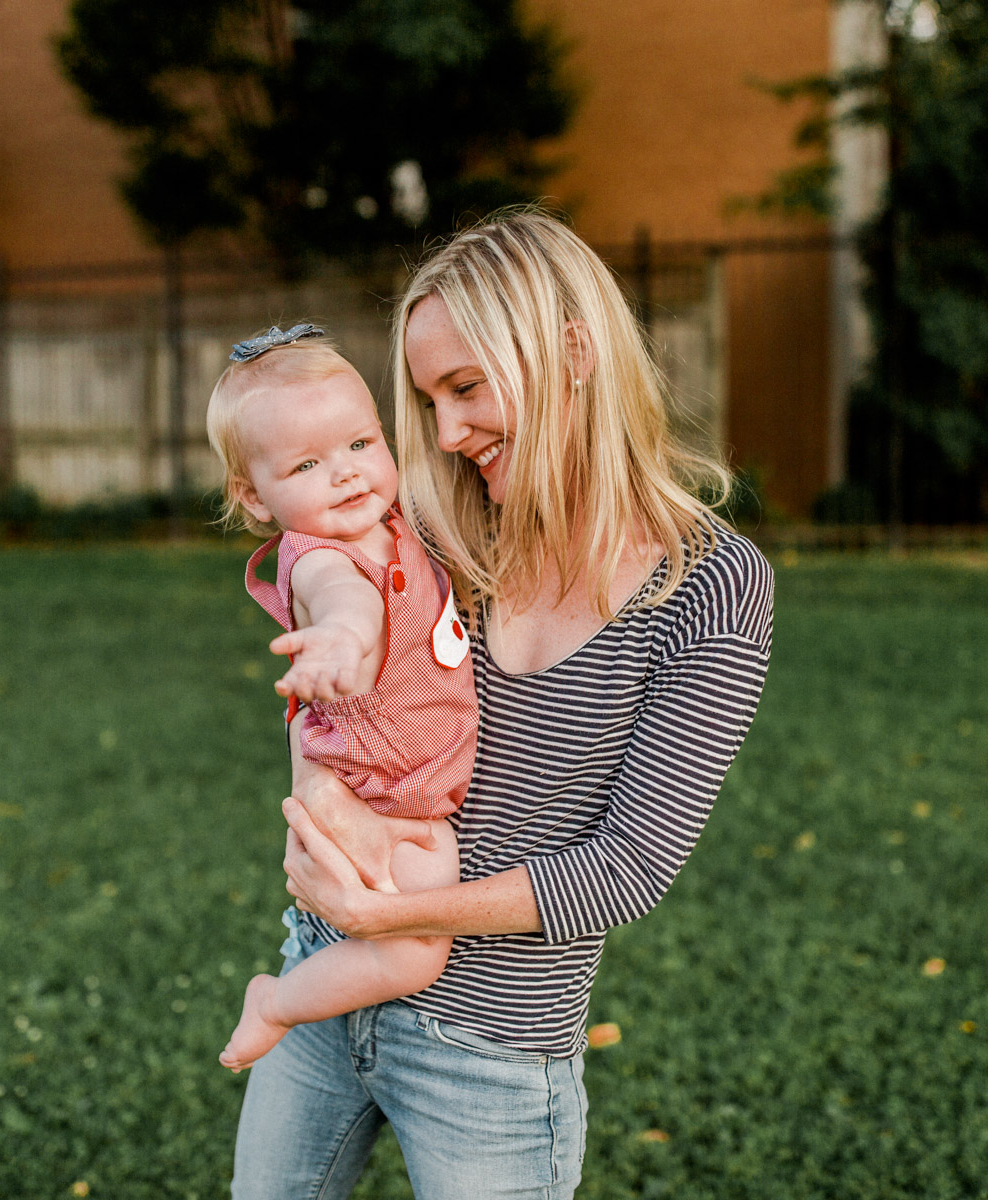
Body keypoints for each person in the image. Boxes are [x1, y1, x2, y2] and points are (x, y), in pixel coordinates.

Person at [231, 209, 774, 1199]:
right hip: (323, 979)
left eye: (466, 388)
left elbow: (626, 869)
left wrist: (392, 910)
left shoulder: (711, 588)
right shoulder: (429, 524)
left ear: (571, 348)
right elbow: (330, 663)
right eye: (428, 401)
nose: (445, 434)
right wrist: (321, 811)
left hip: (491, 1051)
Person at [204, 325, 475, 1072]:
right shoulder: (318, 556)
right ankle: (280, 1002)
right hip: (374, 791)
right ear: (255, 497)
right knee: (415, 955)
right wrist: (339, 641)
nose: (348, 474)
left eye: (361, 444)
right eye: (307, 464)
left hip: (415, 793)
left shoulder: (396, 525)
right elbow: (345, 601)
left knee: (409, 937)